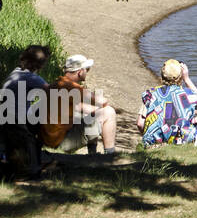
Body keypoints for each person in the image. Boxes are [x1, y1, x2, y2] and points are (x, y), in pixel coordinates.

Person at [40, 54, 117, 156]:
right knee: (109, 112)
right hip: (60, 143)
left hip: (49, 139)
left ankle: (92, 155)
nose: (87, 72)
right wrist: (100, 109)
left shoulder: (57, 84)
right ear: (80, 72)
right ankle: (110, 155)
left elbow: (80, 107)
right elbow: (103, 101)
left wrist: (95, 111)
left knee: (89, 115)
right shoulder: (71, 87)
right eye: (87, 69)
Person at [138, 59, 197, 147]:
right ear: (181, 76)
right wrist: (187, 79)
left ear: (162, 75)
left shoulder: (150, 94)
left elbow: (140, 124)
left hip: (153, 142)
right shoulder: (187, 94)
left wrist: (148, 136)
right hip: (182, 140)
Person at [1, 46, 51, 175]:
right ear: (39, 65)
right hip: (15, 120)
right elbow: (53, 92)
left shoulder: (15, 73)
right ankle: (33, 166)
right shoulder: (29, 77)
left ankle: (34, 159)